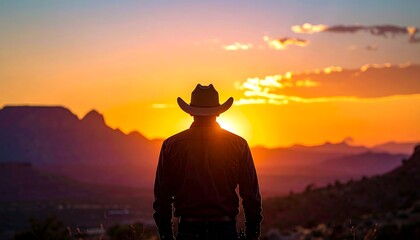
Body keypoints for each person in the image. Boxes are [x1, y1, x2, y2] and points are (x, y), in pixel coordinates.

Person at [153, 84, 262, 240]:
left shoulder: (171, 145)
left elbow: (162, 197)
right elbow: (251, 196)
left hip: (188, 230)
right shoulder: (239, 144)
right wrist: (252, 234)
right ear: (218, 112)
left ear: (190, 112)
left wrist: (166, 235)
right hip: (225, 230)